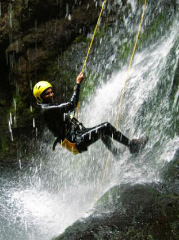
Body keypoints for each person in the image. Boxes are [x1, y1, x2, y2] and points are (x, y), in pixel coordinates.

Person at [33, 72, 148, 155]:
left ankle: (116, 153)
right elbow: (72, 104)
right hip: (74, 141)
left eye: (51, 92)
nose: (51, 95)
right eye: (47, 94)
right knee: (105, 127)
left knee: (102, 132)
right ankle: (133, 146)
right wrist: (78, 84)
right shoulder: (47, 110)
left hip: (77, 134)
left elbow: (65, 110)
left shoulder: (48, 107)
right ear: (40, 97)